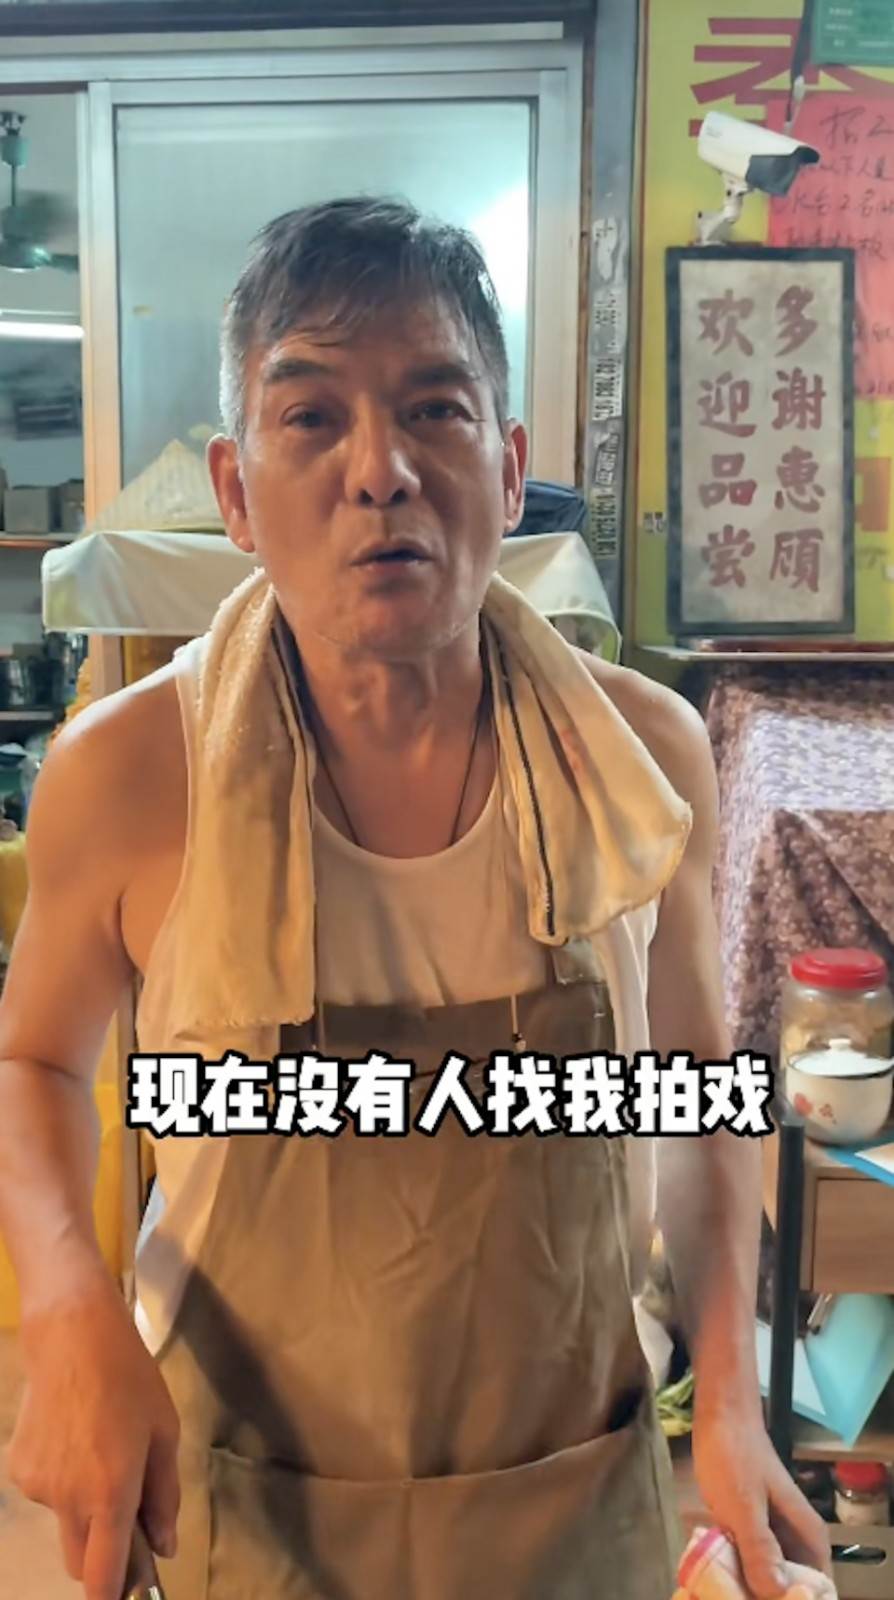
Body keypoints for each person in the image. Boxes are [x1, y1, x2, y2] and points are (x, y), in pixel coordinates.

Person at [0, 198, 830, 1600]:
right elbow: (31, 1061)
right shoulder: (133, 776)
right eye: (311, 417)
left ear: (508, 470)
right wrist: (69, 1307)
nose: (379, 471)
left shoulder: (641, 762)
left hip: (569, 1500)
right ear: (237, 493)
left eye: (435, 410)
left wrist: (735, 1400)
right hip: (248, 1513)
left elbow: (697, 1097)